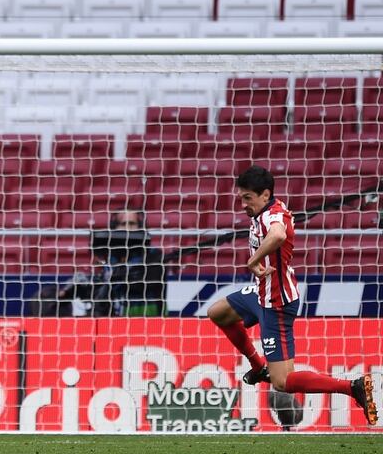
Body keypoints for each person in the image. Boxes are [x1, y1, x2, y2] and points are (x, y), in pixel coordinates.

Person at [207, 165, 376, 425]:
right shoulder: (269, 209)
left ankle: (352, 387)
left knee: (283, 381)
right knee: (218, 312)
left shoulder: (271, 217)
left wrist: (254, 260)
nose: (242, 204)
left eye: (247, 198)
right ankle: (256, 365)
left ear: (265, 194)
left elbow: (277, 234)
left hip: (277, 302)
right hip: (261, 293)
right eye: (241, 198)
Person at [93, 210, 165, 317]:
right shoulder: (107, 256)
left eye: (132, 223)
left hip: (147, 317)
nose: (127, 228)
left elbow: (144, 284)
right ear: (115, 227)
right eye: (123, 224)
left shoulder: (154, 254)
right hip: (115, 318)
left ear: (140, 226)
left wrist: (117, 278)